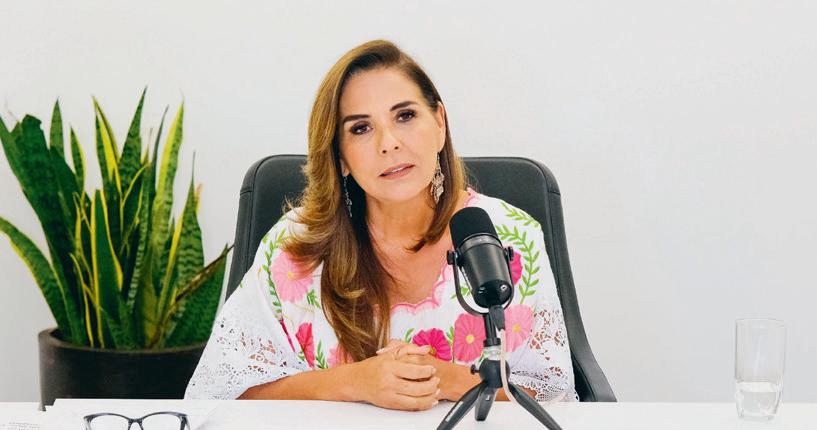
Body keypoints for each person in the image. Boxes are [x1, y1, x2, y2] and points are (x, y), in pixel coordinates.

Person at [185, 39, 578, 411]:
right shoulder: (293, 248)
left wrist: (445, 379)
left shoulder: (511, 237)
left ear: (439, 123)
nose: (388, 143)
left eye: (405, 116)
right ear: (340, 156)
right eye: (361, 128)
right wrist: (354, 382)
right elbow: (221, 396)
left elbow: (553, 396)